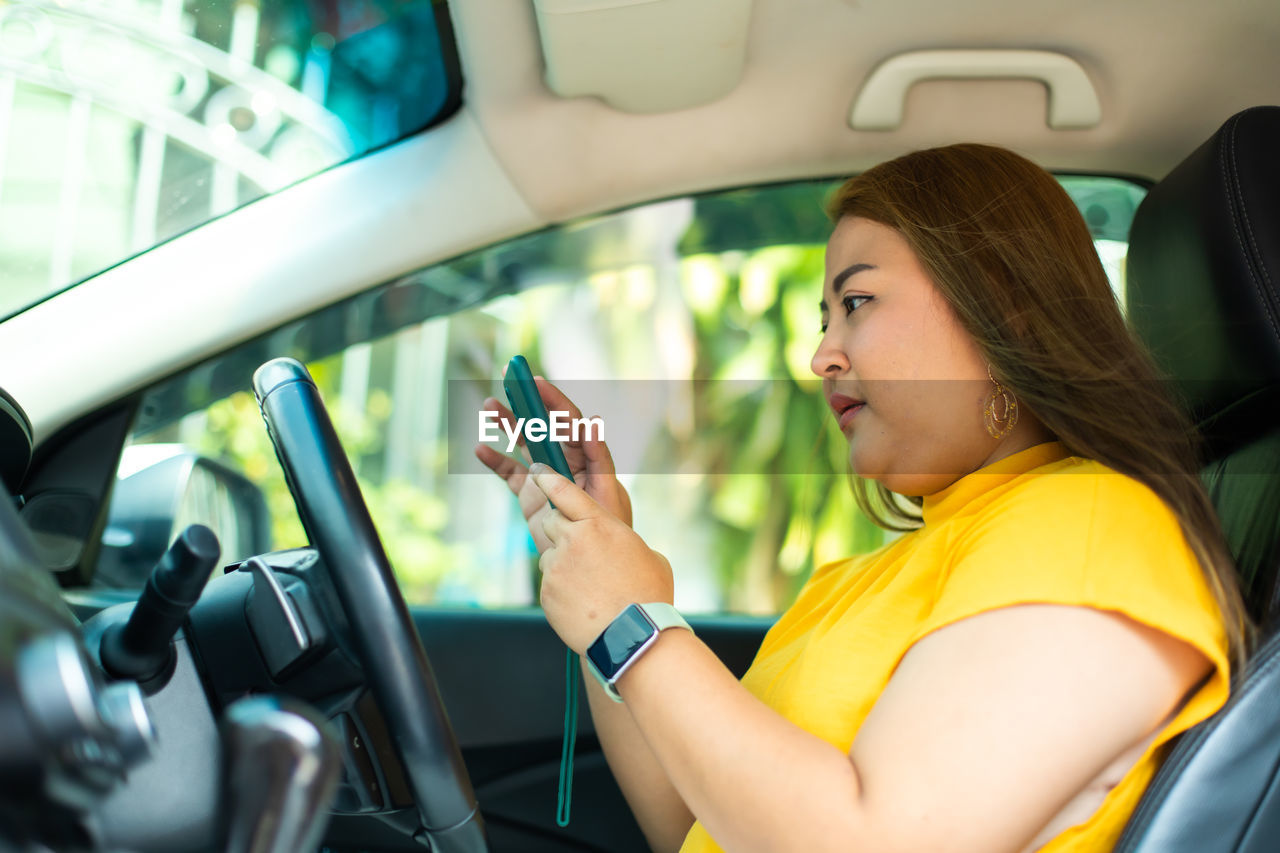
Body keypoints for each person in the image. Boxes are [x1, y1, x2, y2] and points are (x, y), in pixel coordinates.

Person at [474, 143, 1249, 853]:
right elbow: (696, 825)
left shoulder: (1094, 527)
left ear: (1002, 308)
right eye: (824, 317)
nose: (820, 354)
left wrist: (631, 621)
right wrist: (602, 573)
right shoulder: (865, 575)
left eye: (858, 302)